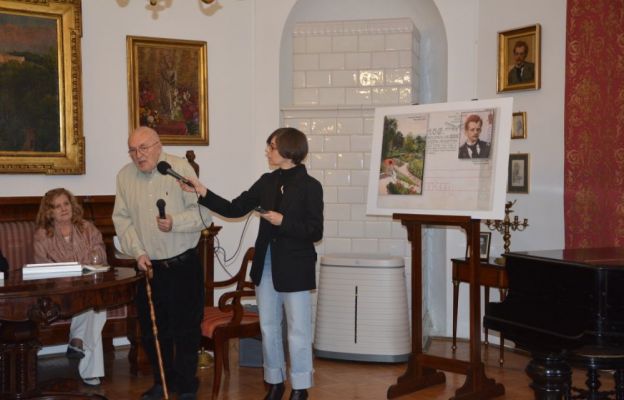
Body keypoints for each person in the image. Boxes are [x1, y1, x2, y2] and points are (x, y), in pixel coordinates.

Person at [180, 127, 323, 400]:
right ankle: (275, 383)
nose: (267, 151)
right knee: (268, 326)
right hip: (266, 263)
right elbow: (234, 208)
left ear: (288, 150)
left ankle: (301, 387)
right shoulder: (266, 182)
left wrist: (284, 222)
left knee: (298, 329)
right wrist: (202, 191)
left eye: (271, 146)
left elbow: (315, 231)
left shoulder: (310, 186)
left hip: (295, 266)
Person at [112, 126, 210, 400]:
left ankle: (187, 385)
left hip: (183, 266)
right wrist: (137, 251)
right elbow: (121, 220)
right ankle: (162, 382)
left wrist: (175, 223)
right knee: (155, 331)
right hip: (149, 267)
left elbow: (205, 215)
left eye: (143, 148)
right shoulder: (124, 176)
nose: (137, 155)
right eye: (132, 150)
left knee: (187, 329)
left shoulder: (179, 169)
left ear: (158, 145)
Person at [33, 188, 107, 387]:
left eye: (66, 204)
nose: (63, 209)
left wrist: (94, 257)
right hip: (59, 292)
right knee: (95, 307)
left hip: (87, 286)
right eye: (57, 206)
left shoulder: (86, 227)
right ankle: (89, 366)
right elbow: (42, 268)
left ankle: (77, 341)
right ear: (49, 212)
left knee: (96, 304)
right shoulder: (42, 235)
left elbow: (100, 251)